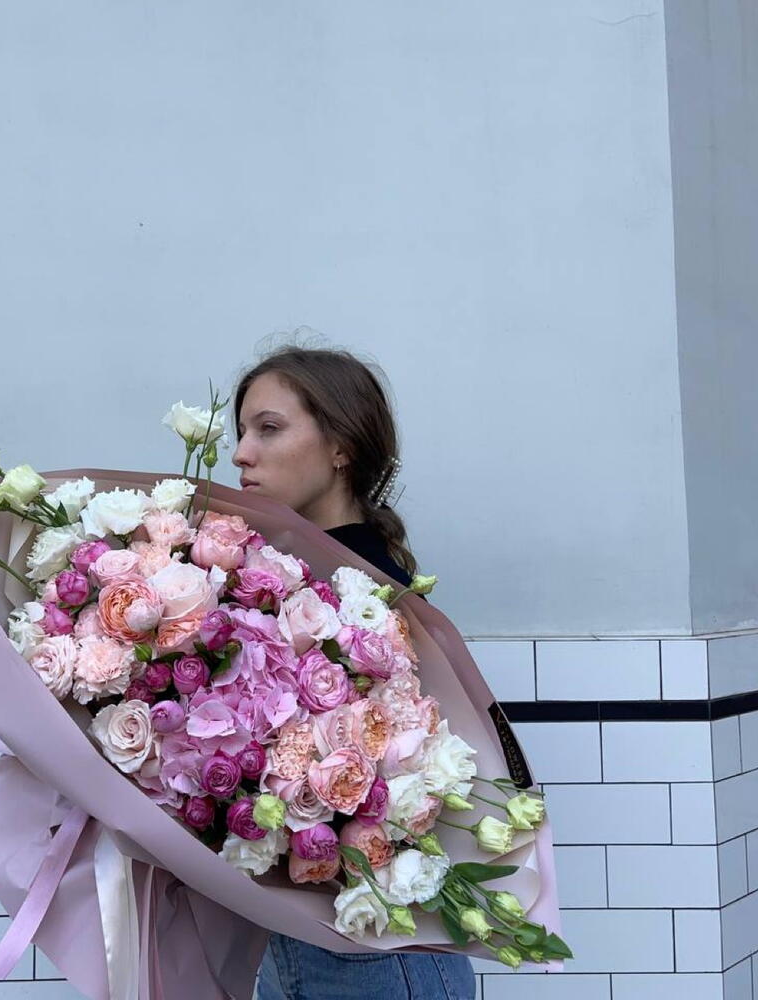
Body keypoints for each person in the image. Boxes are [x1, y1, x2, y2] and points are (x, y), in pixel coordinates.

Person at [231, 344, 477, 1000]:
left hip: (377, 956)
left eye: (268, 428)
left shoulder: (370, 596)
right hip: (304, 939)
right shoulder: (278, 578)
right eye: (241, 432)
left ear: (340, 447)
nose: (241, 454)